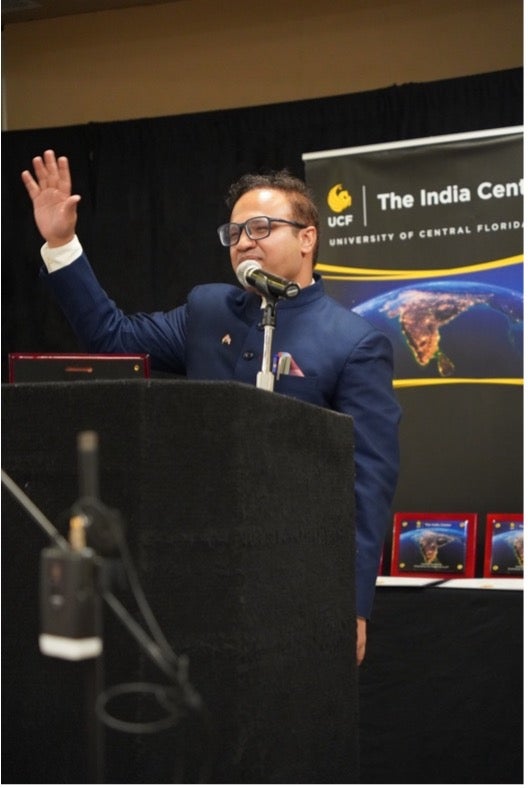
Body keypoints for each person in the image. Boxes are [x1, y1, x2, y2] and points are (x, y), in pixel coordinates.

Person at [21, 150, 401, 665]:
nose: (244, 240)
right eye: (236, 231)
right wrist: (62, 243)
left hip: (297, 572)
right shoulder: (207, 309)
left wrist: (354, 604)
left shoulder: (355, 343)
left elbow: (369, 481)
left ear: (307, 237)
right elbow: (112, 339)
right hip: (198, 568)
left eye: (262, 227)